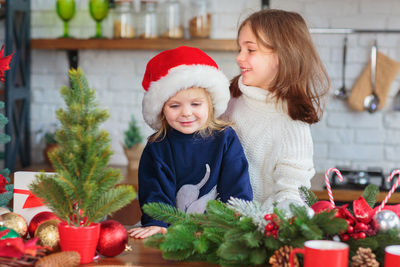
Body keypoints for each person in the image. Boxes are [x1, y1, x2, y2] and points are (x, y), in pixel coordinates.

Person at [129, 46, 253, 239]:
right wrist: (156, 223)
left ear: (210, 104)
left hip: (218, 233)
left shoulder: (225, 138)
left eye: (195, 104)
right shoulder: (158, 146)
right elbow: (154, 191)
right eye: (175, 105)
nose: (186, 112)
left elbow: (237, 184)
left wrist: (237, 221)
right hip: (172, 234)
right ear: (161, 109)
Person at [223, 9, 330, 214]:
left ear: (282, 55)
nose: (239, 57)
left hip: (253, 233)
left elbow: (291, 195)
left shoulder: (292, 124)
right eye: (240, 49)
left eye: (250, 50)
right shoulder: (227, 99)